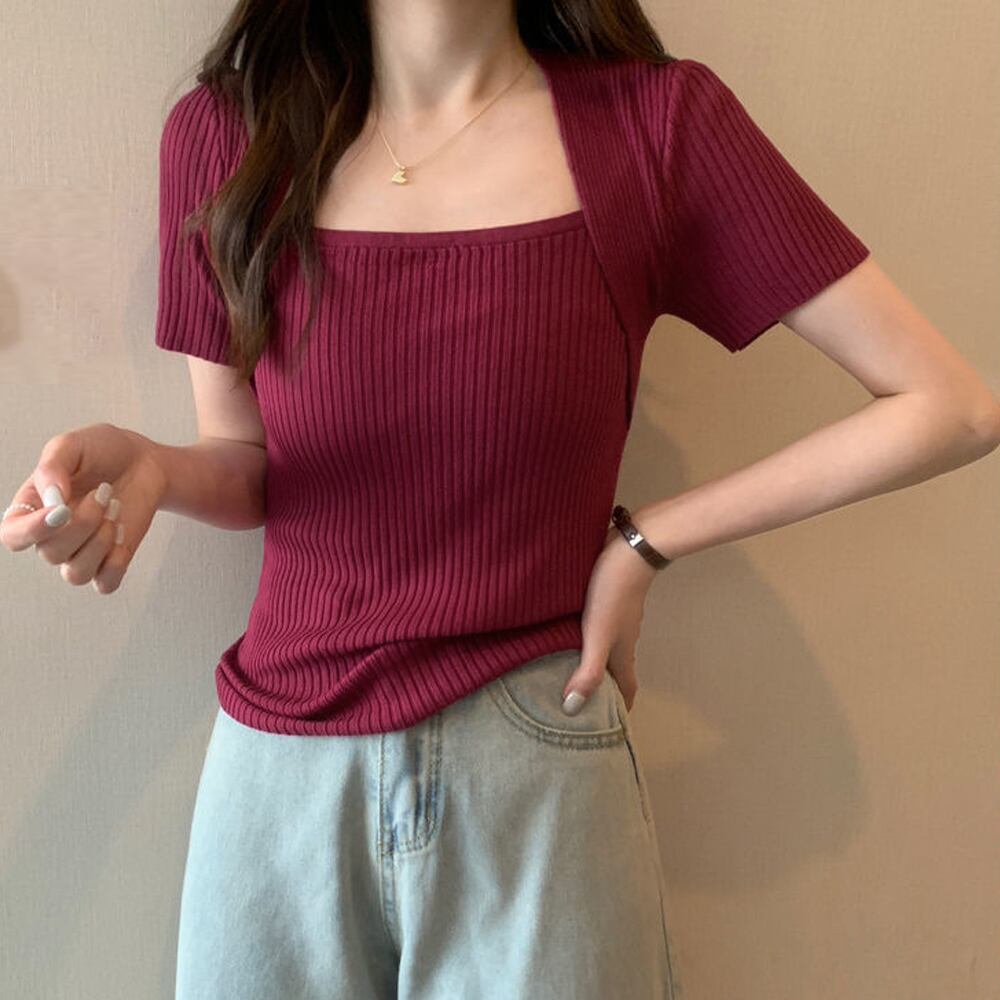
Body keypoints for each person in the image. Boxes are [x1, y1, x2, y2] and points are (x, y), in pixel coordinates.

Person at [4, 1, 1000, 998]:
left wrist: (647, 540)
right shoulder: (231, 135)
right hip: (280, 778)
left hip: (537, 761)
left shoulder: (655, 127)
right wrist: (152, 467)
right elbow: (247, 457)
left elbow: (950, 406)